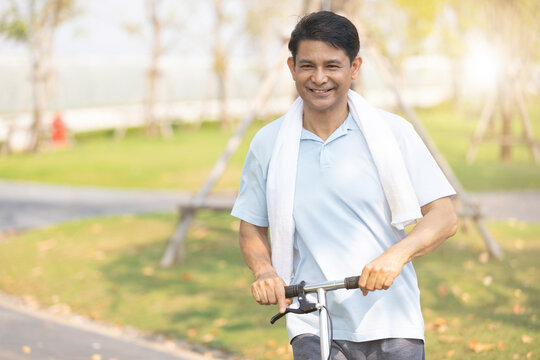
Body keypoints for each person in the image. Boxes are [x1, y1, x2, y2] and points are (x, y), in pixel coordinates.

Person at [231, 10, 458, 360]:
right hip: (312, 320)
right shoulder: (268, 143)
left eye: (332, 66)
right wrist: (264, 270)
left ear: (354, 68)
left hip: (392, 321)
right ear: (292, 68)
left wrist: (395, 257)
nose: (319, 78)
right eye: (308, 65)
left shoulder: (393, 133)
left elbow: (444, 217)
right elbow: (251, 229)